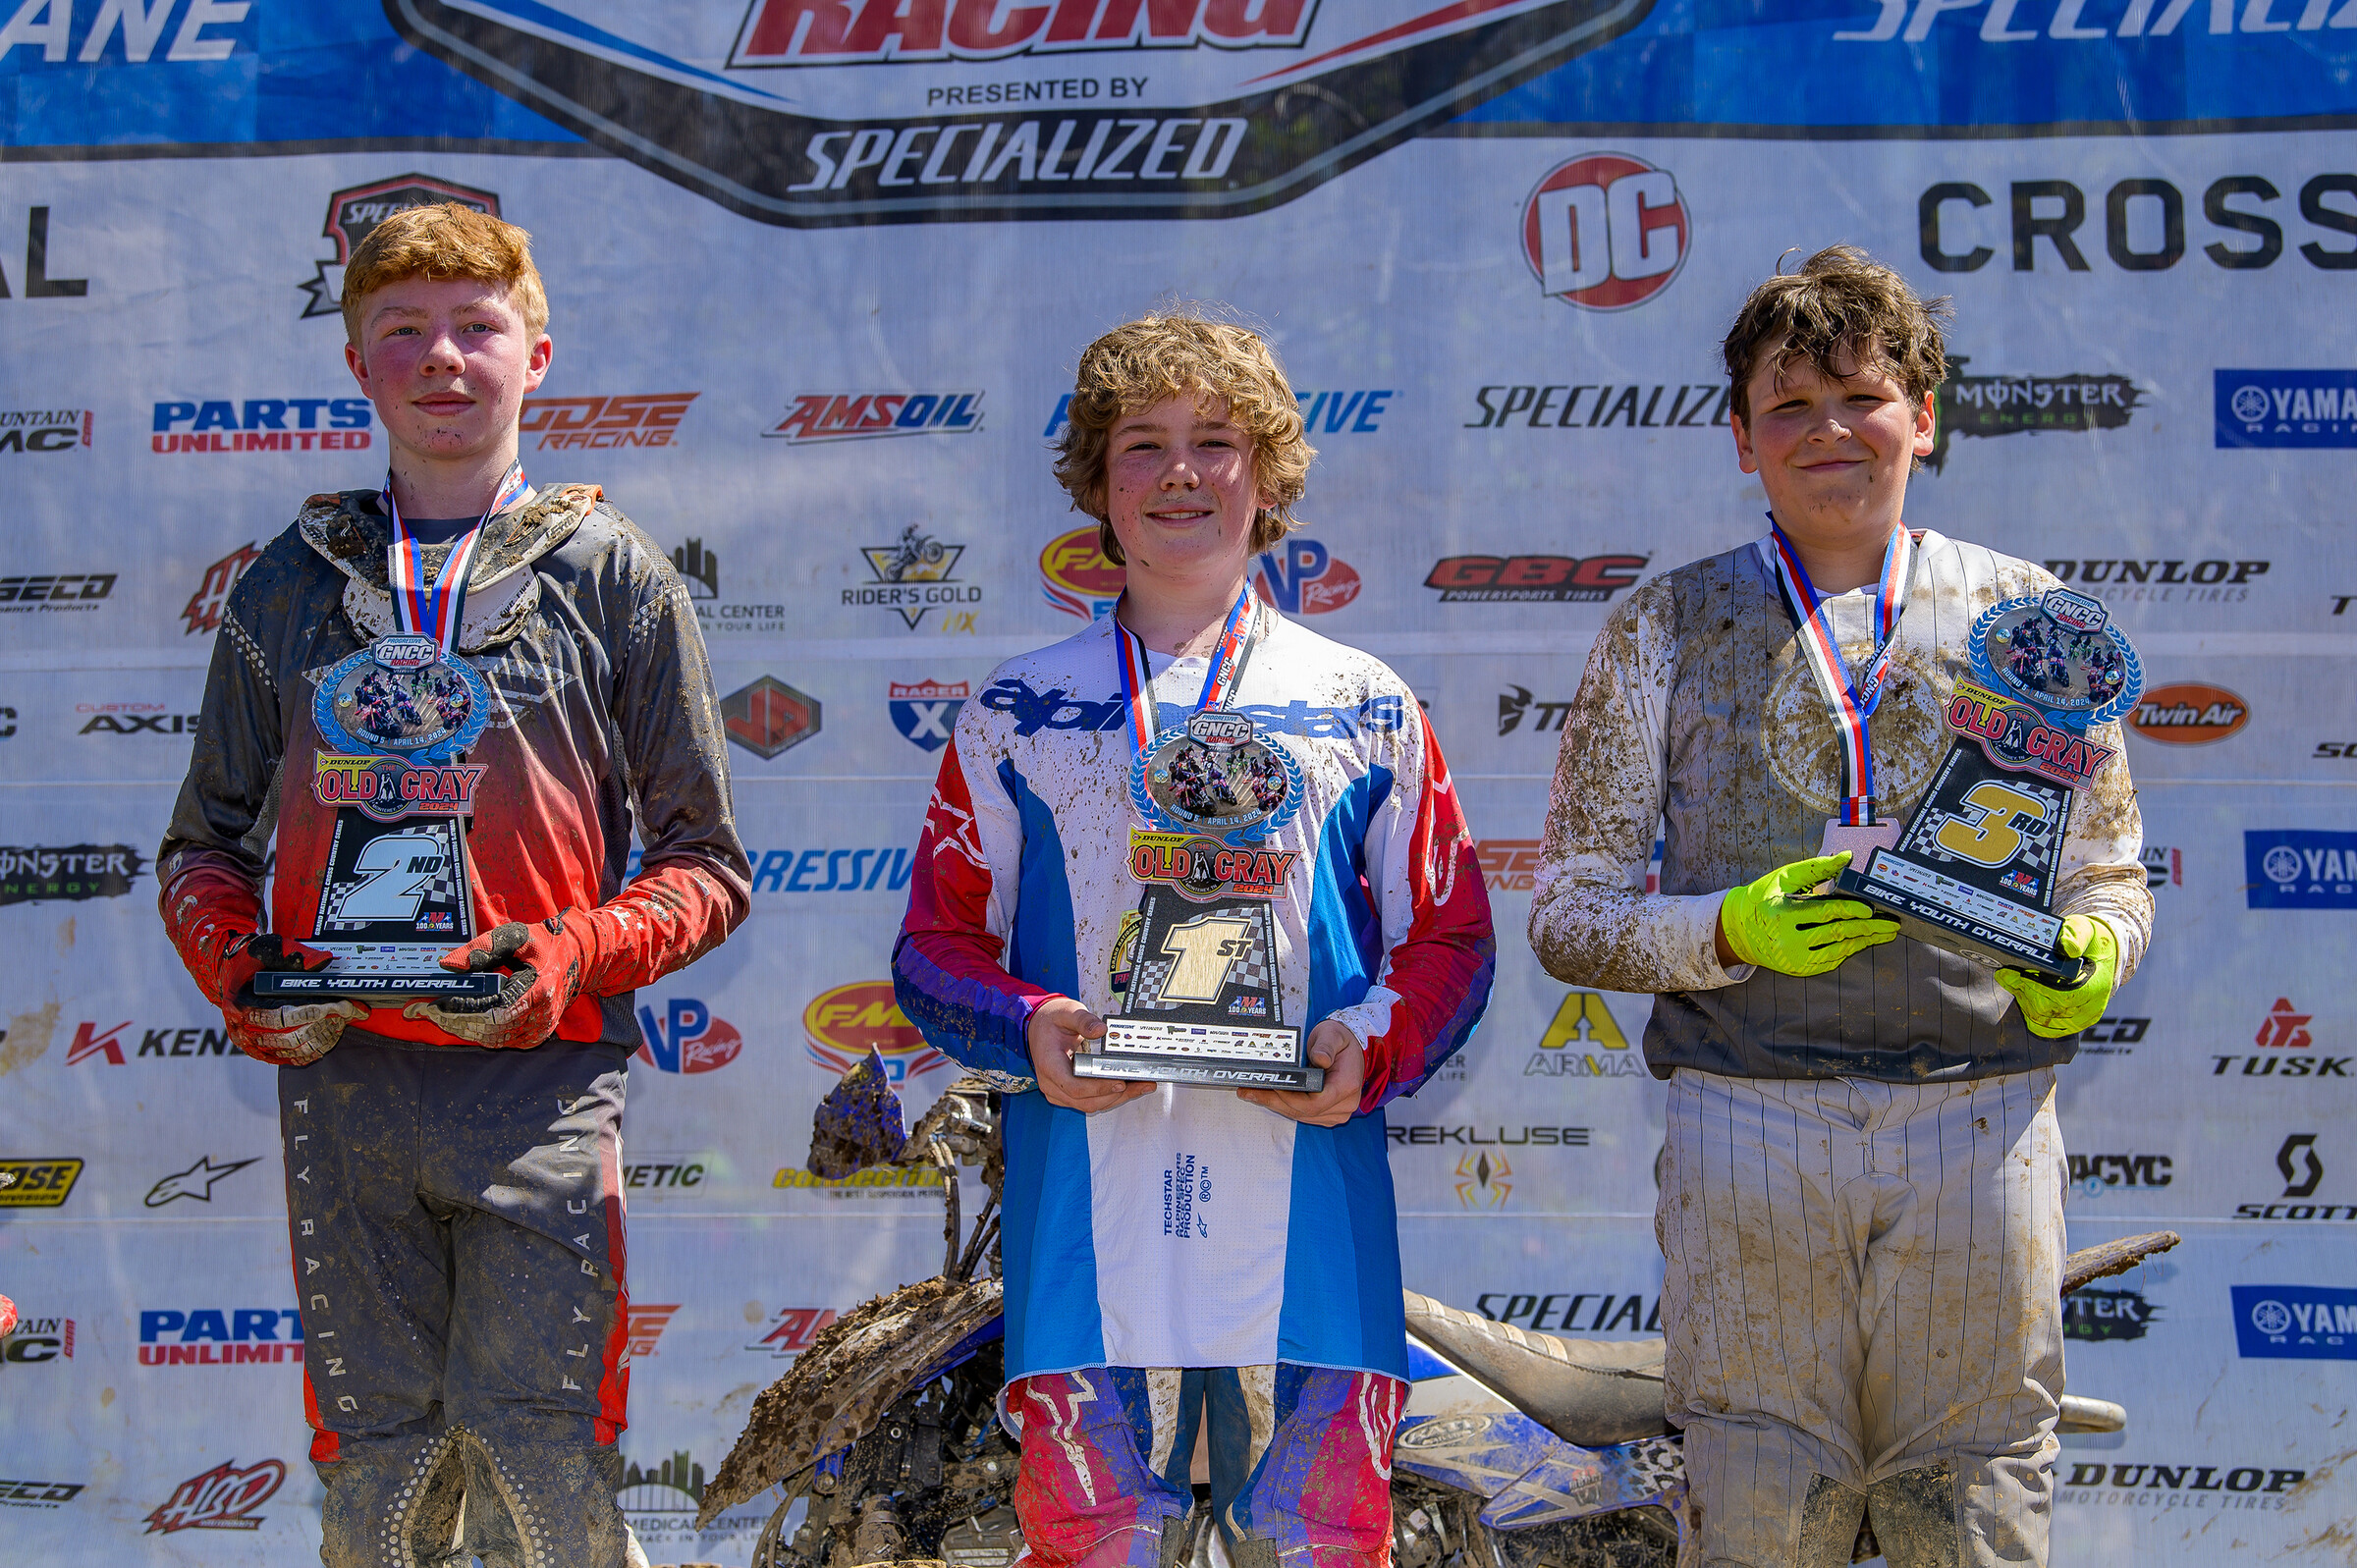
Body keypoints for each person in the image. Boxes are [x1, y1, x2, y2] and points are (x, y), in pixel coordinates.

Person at [1527, 247, 2151, 1568]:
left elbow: (2107, 876)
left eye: (1860, 397)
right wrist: (1719, 932)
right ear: (1740, 438)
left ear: (1925, 413)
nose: (1829, 432)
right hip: (1746, 1120)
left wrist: (2096, 951)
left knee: (1972, 1505)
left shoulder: (2032, 622)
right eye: (1789, 407)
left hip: (1981, 1122)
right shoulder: (1665, 624)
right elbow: (1568, 909)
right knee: (1757, 1506)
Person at [157, 202, 748, 1567]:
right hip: (346, 1077)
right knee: (383, 1466)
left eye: (477, 327)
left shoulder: (618, 578)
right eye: (403, 332)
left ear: (537, 354)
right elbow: (204, 847)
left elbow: (706, 867)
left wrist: (566, 956)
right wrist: (238, 968)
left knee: (538, 1455)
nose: (443, 358)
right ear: (359, 365)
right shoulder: (288, 588)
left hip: (538, 1081)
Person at [893, 311, 1496, 1568]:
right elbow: (935, 948)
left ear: (1268, 475)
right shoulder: (1019, 706)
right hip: (1085, 1211)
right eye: (1143, 445)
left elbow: (1451, 936)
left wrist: (1368, 1045)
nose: (1180, 472)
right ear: (1097, 485)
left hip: (1313, 1218)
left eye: (1215, 442)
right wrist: (1034, 1025)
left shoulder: (1363, 699)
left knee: (1320, 1550)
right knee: (1094, 1547)